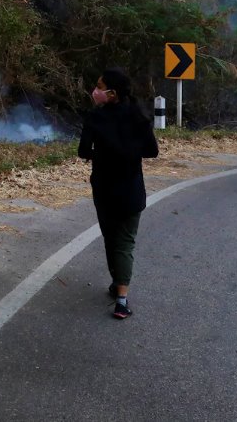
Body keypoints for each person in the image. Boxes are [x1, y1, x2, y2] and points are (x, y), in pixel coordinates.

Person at [78, 67, 159, 319]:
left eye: (100, 87)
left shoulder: (95, 117)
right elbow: (151, 151)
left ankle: (117, 283)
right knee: (125, 242)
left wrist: (102, 154)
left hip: (103, 188)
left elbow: (83, 151)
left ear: (112, 94)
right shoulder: (139, 116)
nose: (96, 90)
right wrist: (129, 152)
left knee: (111, 238)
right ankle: (121, 299)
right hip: (132, 190)